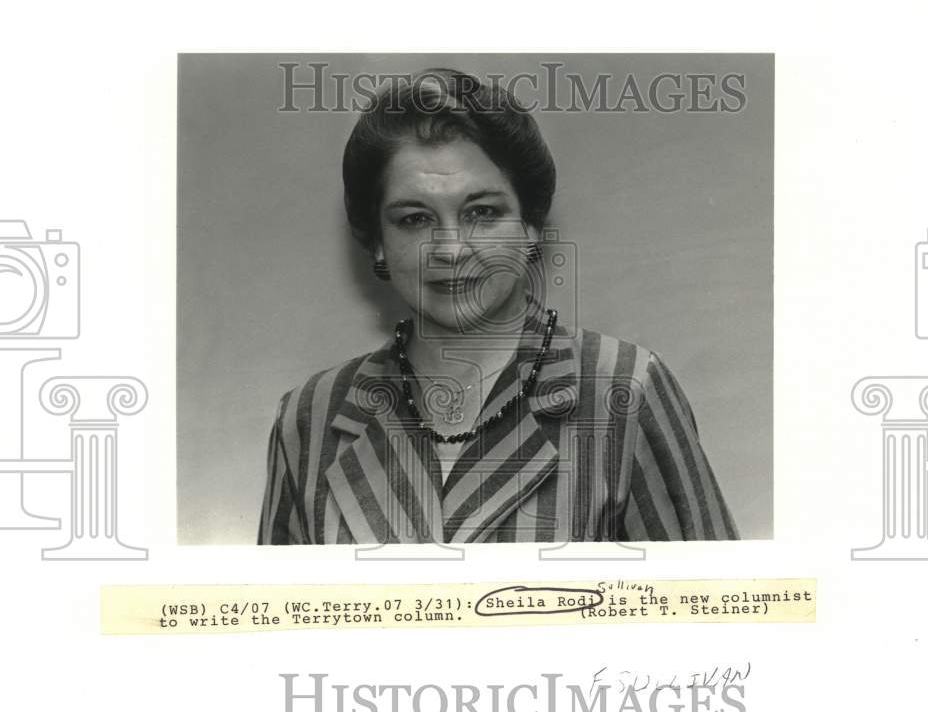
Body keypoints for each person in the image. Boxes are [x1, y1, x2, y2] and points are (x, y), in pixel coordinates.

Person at [258, 68, 738, 545]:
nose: (450, 249)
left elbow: (717, 610)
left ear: (530, 227)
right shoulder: (312, 416)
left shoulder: (623, 390)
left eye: (482, 213)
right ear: (378, 242)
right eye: (414, 219)